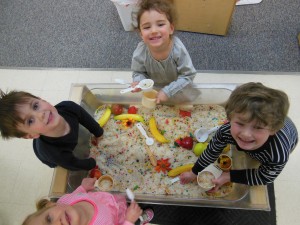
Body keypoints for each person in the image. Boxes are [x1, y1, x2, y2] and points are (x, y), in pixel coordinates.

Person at [180, 82, 298, 191]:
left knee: (263, 161)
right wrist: (194, 172)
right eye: (240, 123)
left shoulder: (278, 154)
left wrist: (228, 176)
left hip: (289, 136)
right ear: (230, 118)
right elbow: (211, 151)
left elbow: (265, 177)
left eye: (258, 127)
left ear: (273, 130)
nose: (246, 134)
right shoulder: (225, 131)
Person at [0, 90, 103, 171]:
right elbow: (72, 164)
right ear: (31, 135)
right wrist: (91, 163)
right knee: (55, 163)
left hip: (51, 138)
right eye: (30, 121)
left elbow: (85, 118)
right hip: (45, 154)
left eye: (35, 106)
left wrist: (98, 132)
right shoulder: (54, 153)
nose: (41, 114)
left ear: (42, 100)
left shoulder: (68, 107)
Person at [131, 0, 199, 104]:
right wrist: (139, 82)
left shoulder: (178, 49)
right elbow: (138, 72)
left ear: (171, 28)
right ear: (141, 34)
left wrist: (168, 91)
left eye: (160, 24)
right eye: (147, 27)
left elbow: (188, 75)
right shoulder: (141, 51)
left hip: (178, 88)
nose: (153, 30)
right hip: (154, 90)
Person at [22, 177, 154, 225]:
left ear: (50, 205)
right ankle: (139, 219)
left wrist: (83, 187)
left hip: (111, 199)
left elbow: (75, 194)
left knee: (127, 204)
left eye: (49, 219)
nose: (58, 223)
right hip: (119, 218)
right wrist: (129, 221)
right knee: (132, 214)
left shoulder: (65, 200)